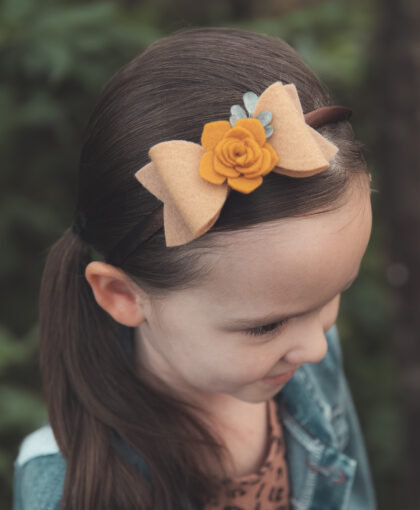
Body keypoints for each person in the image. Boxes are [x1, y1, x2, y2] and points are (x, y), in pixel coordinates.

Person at [13, 26, 377, 510]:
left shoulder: (305, 364)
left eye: (333, 295)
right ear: (123, 296)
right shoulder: (64, 487)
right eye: (266, 326)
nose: (315, 345)